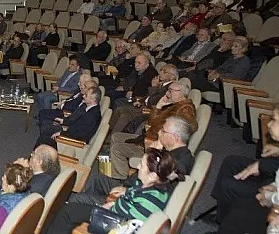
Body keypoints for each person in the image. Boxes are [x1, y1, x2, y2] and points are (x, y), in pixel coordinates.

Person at [46, 148, 184, 234]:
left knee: (67, 212)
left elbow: (126, 222)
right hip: (115, 212)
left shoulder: (149, 202)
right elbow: (131, 199)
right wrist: (115, 202)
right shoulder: (152, 186)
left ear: (153, 176)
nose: (137, 166)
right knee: (70, 210)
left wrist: (105, 208)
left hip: (114, 224)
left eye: (141, 165)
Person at [72, 116, 194, 206]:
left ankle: (81, 209)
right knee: (95, 179)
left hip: (133, 199)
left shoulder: (179, 161)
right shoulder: (174, 152)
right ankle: (83, 213)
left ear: (174, 138)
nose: (158, 132)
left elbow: (156, 188)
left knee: (78, 200)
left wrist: (153, 153)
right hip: (130, 185)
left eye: (163, 131)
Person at [218, 102, 279, 234]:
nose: (269, 124)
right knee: (230, 161)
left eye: (274, 120)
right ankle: (221, 221)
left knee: (238, 211)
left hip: (278, 210)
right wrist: (275, 186)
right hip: (274, 187)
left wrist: (268, 195)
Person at [109, 81, 197, 179]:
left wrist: (160, 142)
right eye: (168, 90)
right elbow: (152, 122)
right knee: (116, 136)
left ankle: (119, 178)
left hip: (152, 145)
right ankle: (117, 168)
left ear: (180, 93)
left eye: (170, 90)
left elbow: (189, 127)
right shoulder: (173, 105)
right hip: (148, 136)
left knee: (117, 149)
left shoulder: (185, 109)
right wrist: (159, 105)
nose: (167, 93)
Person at [210, 143, 279, 224]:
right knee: (230, 161)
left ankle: (226, 225)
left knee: (228, 186)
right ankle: (222, 218)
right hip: (277, 172)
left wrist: (263, 166)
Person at [110, 64, 178, 133]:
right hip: (142, 105)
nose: (160, 73)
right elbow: (147, 96)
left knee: (123, 113)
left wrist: (154, 87)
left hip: (148, 110)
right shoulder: (162, 84)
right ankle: (110, 132)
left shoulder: (170, 88)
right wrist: (140, 101)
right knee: (120, 109)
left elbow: (154, 101)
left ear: (172, 76)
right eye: (161, 70)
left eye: (164, 72)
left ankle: (113, 134)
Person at [35, 87, 102, 149]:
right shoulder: (88, 107)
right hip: (70, 131)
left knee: (45, 135)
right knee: (46, 124)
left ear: (93, 99)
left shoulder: (91, 116)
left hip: (74, 141)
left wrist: (61, 133)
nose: (83, 96)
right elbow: (75, 120)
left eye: (86, 95)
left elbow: (80, 134)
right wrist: (64, 122)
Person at [186, 36, 251, 93]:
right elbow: (221, 67)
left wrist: (218, 75)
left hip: (225, 87)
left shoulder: (244, 60)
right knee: (191, 75)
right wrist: (214, 71)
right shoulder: (232, 57)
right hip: (215, 81)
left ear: (243, 49)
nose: (232, 48)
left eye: (236, 46)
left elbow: (236, 76)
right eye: (232, 46)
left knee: (193, 78)